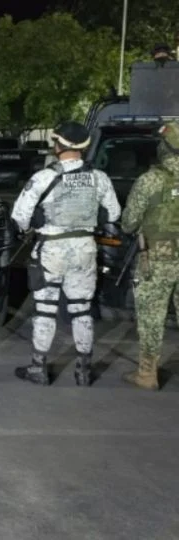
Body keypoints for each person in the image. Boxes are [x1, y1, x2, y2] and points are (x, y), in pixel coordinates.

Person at [11, 122, 121, 386]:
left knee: (45, 310)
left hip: (52, 249)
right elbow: (114, 214)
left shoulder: (44, 177)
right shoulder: (99, 178)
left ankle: (38, 368)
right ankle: (83, 371)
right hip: (84, 248)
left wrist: (32, 225)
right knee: (82, 309)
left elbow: (20, 217)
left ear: (58, 145)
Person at [119, 121, 179, 390]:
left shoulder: (150, 180)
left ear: (164, 148)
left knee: (151, 316)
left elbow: (128, 223)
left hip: (156, 258)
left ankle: (147, 374)